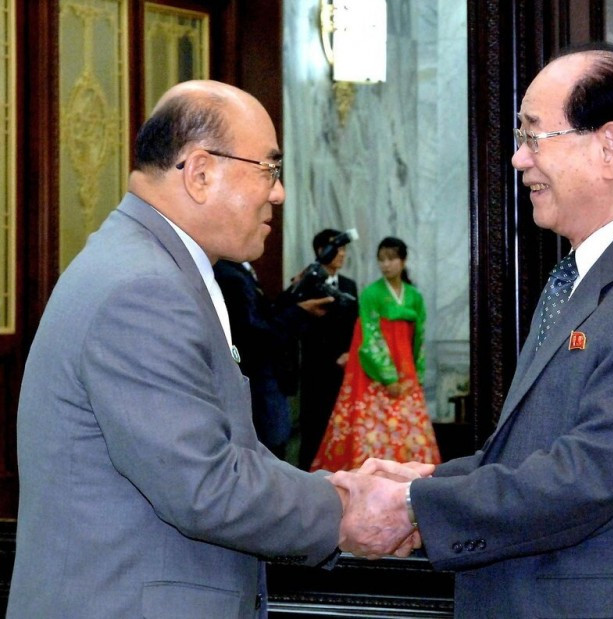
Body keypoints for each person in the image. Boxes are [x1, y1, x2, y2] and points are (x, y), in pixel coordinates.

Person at [330, 43, 613, 617]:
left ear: (609, 148)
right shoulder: (584, 274)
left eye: (534, 136)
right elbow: (533, 454)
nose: (519, 159)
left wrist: (412, 503)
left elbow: (588, 477)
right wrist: (432, 479)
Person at [8, 80, 392, 618]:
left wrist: (335, 488)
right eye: (269, 169)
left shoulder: (149, 266)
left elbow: (228, 453)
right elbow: (205, 486)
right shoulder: (143, 289)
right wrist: (346, 508)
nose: (279, 193)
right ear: (201, 172)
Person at [311, 237, 441, 472]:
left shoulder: (414, 296)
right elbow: (370, 336)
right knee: (374, 432)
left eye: (391, 259)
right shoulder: (371, 293)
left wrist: (416, 374)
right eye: (381, 260)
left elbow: (418, 339)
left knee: (409, 431)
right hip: (374, 374)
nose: (386, 265)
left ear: (403, 261)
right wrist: (388, 376)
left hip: (406, 373)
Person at [213, 259, 331, 458]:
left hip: (269, 375)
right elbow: (255, 334)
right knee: (271, 446)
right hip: (259, 376)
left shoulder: (240, 270)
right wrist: (299, 312)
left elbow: (266, 312)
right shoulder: (230, 275)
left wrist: (293, 293)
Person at [297, 229, 359, 470]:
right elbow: (303, 327)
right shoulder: (307, 283)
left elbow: (356, 325)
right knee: (314, 428)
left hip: (345, 368)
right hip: (316, 368)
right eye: (337, 248)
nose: (342, 254)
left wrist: (350, 353)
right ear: (321, 251)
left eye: (344, 249)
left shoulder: (349, 285)